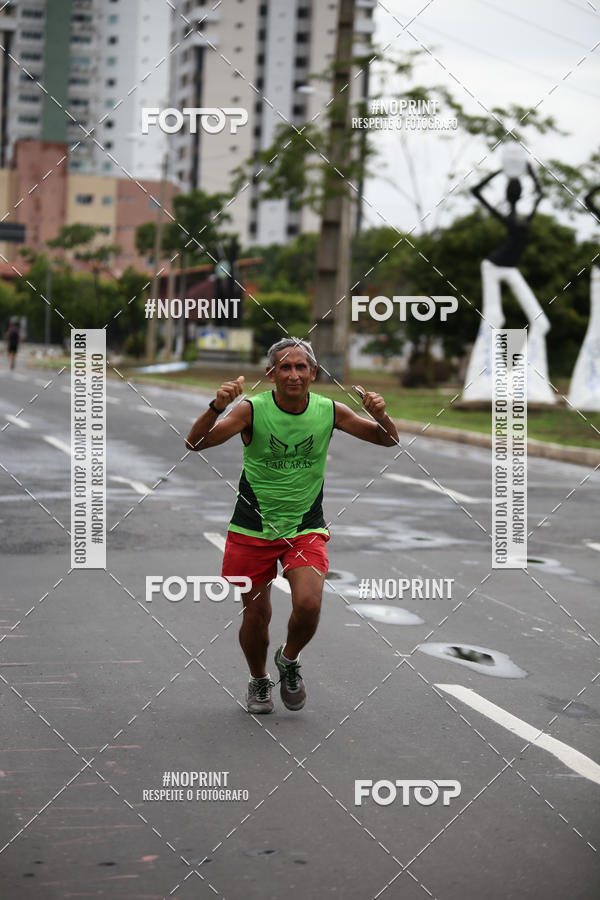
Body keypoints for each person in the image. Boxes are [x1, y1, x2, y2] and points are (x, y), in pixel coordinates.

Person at [185, 337, 399, 714]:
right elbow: (196, 442)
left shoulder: (329, 411)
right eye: (285, 367)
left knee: (309, 603)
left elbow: (388, 440)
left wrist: (381, 414)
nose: (294, 374)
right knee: (257, 615)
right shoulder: (251, 410)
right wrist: (217, 406)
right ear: (271, 374)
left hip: (304, 527)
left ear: (313, 374)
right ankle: (258, 679)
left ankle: (289, 658)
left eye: (301, 367)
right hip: (252, 529)